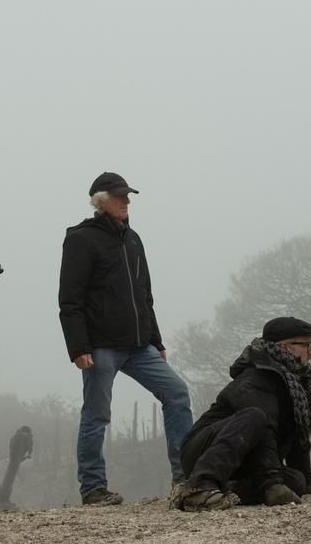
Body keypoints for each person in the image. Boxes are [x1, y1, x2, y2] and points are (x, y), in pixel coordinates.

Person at [59, 172, 193, 506]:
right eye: (120, 197)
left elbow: (144, 295)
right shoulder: (80, 239)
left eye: (128, 196)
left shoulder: (134, 239)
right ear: (101, 201)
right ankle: (93, 488)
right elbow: (70, 298)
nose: (127, 202)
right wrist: (78, 347)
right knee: (97, 414)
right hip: (100, 346)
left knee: (177, 393)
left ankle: (186, 477)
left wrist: (157, 341)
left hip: (139, 345)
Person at [173, 317, 311, 511]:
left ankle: (228, 490)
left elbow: (297, 435)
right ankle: (198, 487)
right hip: (203, 453)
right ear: (286, 347)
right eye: (307, 344)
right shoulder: (256, 377)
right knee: (255, 416)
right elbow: (266, 429)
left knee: (296, 480)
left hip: (240, 461)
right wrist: (272, 483)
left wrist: (307, 483)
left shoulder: (295, 384)